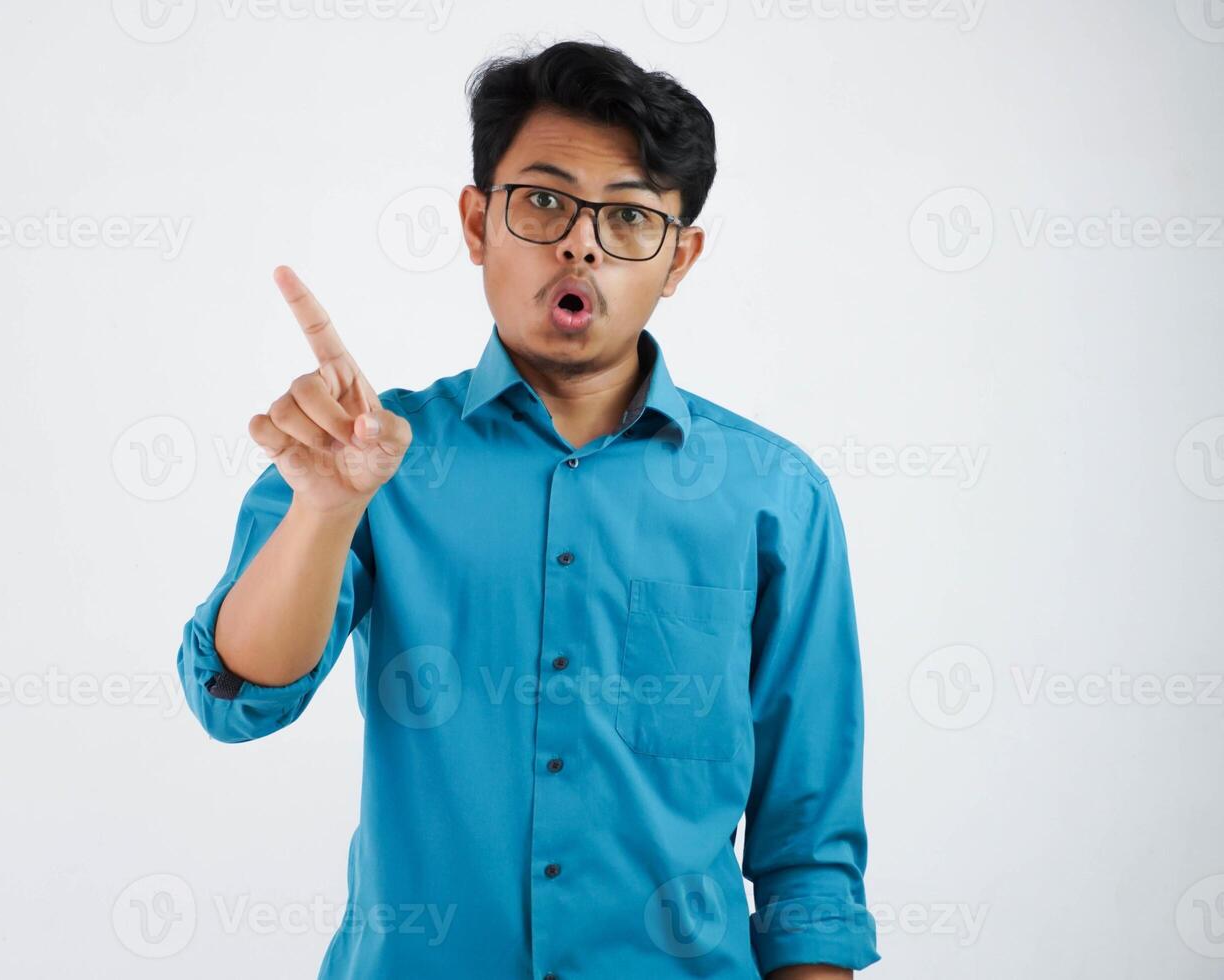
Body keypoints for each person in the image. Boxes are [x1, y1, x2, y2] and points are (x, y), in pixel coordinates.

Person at [177, 39, 880, 980]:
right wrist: (325, 512)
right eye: (543, 201)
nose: (579, 242)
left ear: (680, 258)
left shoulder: (775, 497)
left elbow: (810, 851)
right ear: (477, 224)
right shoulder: (368, 457)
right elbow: (237, 701)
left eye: (629, 216)